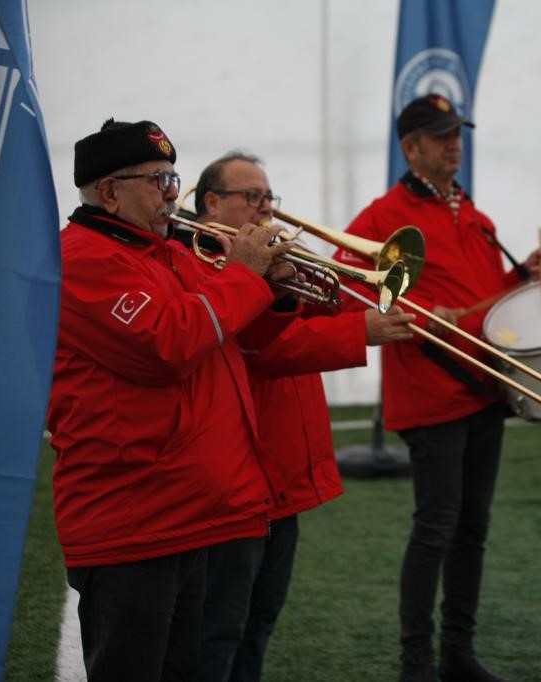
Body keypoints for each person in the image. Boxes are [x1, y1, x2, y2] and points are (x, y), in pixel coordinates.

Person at [46, 119, 295, 682]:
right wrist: (243, 277)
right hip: (131, 518)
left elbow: (233, 338)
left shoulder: (169, 253)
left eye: (172, 176)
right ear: (109, 191)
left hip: (187, 512)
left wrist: (272, 292)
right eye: (157, 178)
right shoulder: (82, 258)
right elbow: (168, 344)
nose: (171, 192)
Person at [334, 94, 541, 682]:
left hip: (483, 389)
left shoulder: (473, 213)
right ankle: (417, 663)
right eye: (441, 135)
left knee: (471, 531)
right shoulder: (382, 216)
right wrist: (432, 315)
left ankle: (457, 654)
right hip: (431, 396)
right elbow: (346, 280)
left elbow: (488, 296)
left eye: (457, 133)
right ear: (411, 148)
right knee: (436, 529)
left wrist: (520, 275)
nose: (454, 142)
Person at [181, 151, 415, 682]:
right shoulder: (199, 260)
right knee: (219, 627)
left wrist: (380, 291)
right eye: (253, 197)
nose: (268, 209)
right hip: (236, 471)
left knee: (260, 618)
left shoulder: (270, 254)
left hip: (282, 470)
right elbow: (256, 350)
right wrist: (359, 334)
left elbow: (328, 304)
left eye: (270, 197)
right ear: (212, 203)